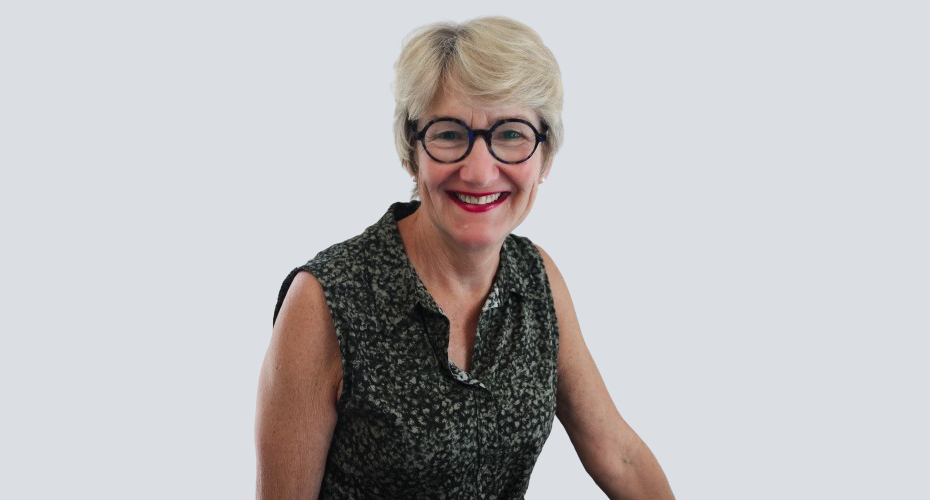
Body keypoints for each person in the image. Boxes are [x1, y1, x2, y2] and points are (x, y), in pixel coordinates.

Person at [255, 16, 674, 499]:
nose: (478, 172)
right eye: (450, 134)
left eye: (512, 134)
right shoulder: (325, 301)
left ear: (546, 156)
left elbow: (618, 455)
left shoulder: (536, 277)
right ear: (413, 151)